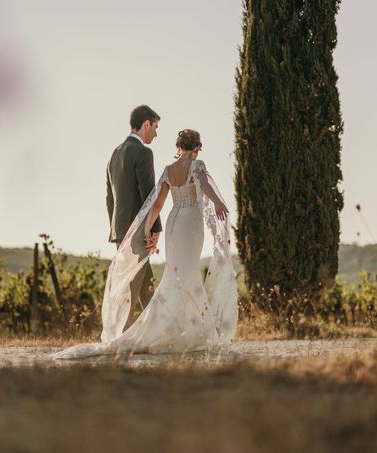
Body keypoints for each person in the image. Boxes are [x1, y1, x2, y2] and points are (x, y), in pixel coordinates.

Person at [53, 129, 238, 359]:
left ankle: (181, 329)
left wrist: (149, 229)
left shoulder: (169, 170)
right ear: (196, 147)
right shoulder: (197, 166)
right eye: (198, 147)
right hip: (190, 225)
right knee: (188, 274)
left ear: (179, 146)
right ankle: (196, 332)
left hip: (173, 225)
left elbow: (158, 205)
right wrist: (219, 202)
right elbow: (204, 184)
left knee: (174, 275)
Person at [106, 105, 162, 332]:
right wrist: (154, 230)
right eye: (155, 127)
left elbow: (110, 198)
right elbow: (149, 195)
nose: (156, 134)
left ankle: (157, 330)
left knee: (145, 284)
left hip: (121, 231)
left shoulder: (115, 153)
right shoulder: (143, 153)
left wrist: (116, 233)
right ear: (146, 124)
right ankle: (123, 336)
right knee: (132, 284)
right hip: (140, 229)